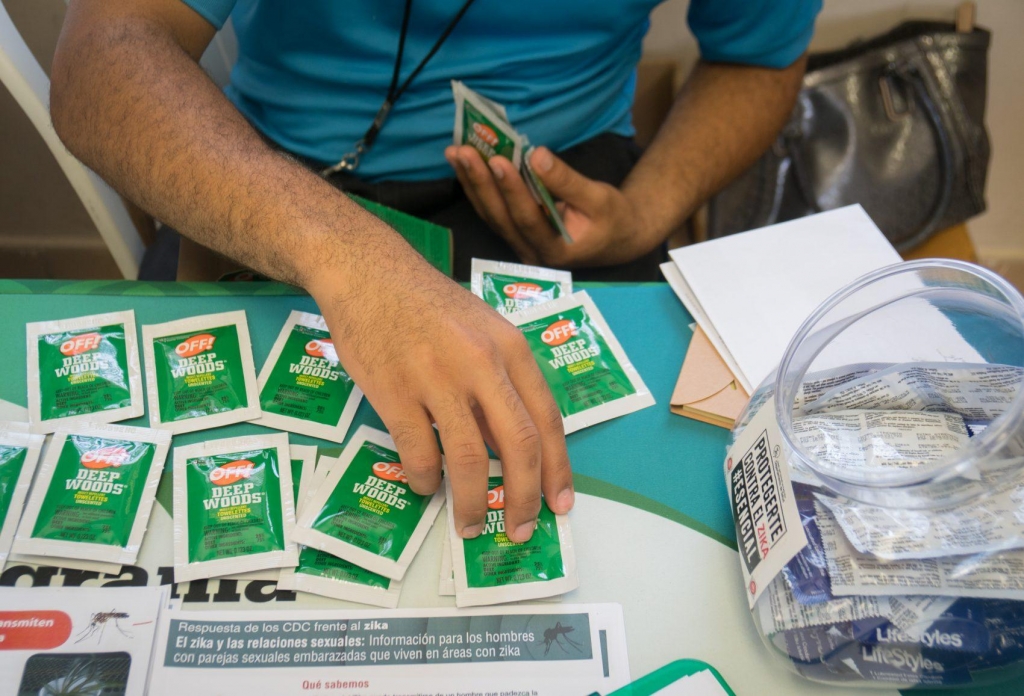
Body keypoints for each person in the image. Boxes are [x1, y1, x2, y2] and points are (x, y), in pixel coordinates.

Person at [49, 0, 819, 544]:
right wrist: (349, 259)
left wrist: (646, 211)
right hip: (270, 182)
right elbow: (102, 53)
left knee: (640, 517)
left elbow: (759, 56)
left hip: (567, 182)